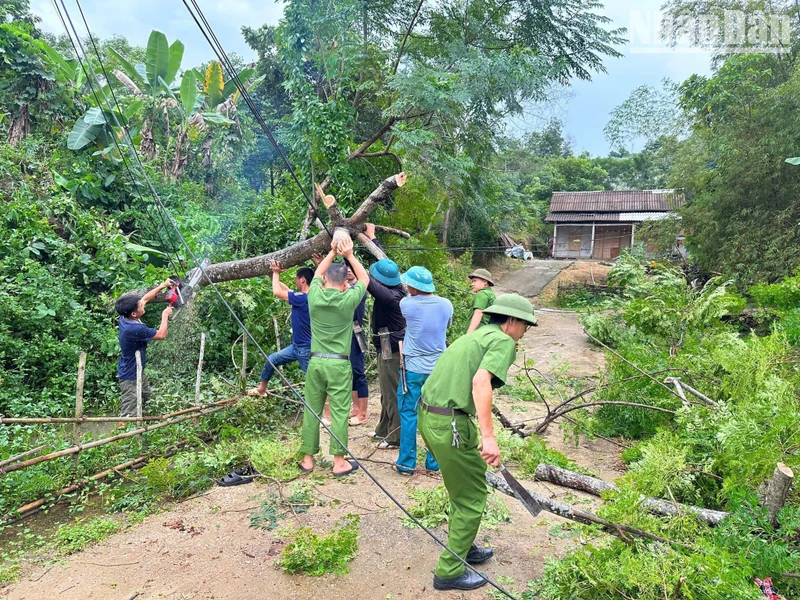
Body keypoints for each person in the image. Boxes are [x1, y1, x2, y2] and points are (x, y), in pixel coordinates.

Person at [418, 294, 537, 591]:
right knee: (471, 497)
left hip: (429, 416)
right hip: (451, 425)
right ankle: (449, 572)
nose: (525, 332)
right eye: (526, 326)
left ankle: (464, 545)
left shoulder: (477, 335)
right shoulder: (503, 341)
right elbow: (481, 382)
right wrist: (488, 437)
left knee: (461, 489)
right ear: (511, 321)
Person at [298, 236, 369, 477]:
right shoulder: (349, 299)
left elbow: (316, 275)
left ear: (326, 280)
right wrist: (348, 255)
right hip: (339, 363)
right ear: (343, 283)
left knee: (312, 409)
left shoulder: (314, 297)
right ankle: (339, 462)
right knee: (339, 411)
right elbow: (365, 279)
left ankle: (307, 459)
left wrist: (331, 252)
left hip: (316, 361)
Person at [394, 266, 453, 475]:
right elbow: (446, 327)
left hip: (413, 369)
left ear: (415, 287)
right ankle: (434, 462)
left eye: (409, 284)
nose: (407, 287)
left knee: (409, 413)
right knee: (436, 414)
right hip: (438, 369)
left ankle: (406, 463)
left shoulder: (407, 304)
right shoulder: (446, 304)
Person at [365, 227, 407, 450]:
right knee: (385, 390)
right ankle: (383, 427)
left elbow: (365, 278)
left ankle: (395, 436)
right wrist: (373, 240)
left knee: (391, 392)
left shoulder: (388, 297)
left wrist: (348, 255)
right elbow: (387, 265)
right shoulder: (397, 287)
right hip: (388, 344)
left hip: (390, 348)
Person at [249, 261, 314, 396]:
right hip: (296, 347)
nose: (295, 282)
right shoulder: (302, 297)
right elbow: (286, 290)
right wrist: (272, 275)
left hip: (305, 349)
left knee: (314, 382)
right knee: (272, 360)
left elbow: (277, 292)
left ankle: (327, 414)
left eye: (296, 279)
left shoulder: (303, 298)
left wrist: (276, 273)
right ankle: (261, 389)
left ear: (302, 280)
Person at [114, 278, 176, 418]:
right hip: (130, 375)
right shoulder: (134, 329)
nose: (143, 306)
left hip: (138, 370)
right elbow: (161, 335)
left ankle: (143, 422)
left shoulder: (125, 317)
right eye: (140, 307)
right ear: (134, 314)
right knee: (129, 411)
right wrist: (165, 315)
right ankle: (124, 433)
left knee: (146, 396)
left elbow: (145, 299)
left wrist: (162, 285)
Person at [465, 269, 495, 333]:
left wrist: (468, 334)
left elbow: (478, 313)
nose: (472, 284)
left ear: (485, 282)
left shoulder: (482, 294)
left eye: (475, 281)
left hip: (476, 332)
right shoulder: (491, 294)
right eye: (472, 282)